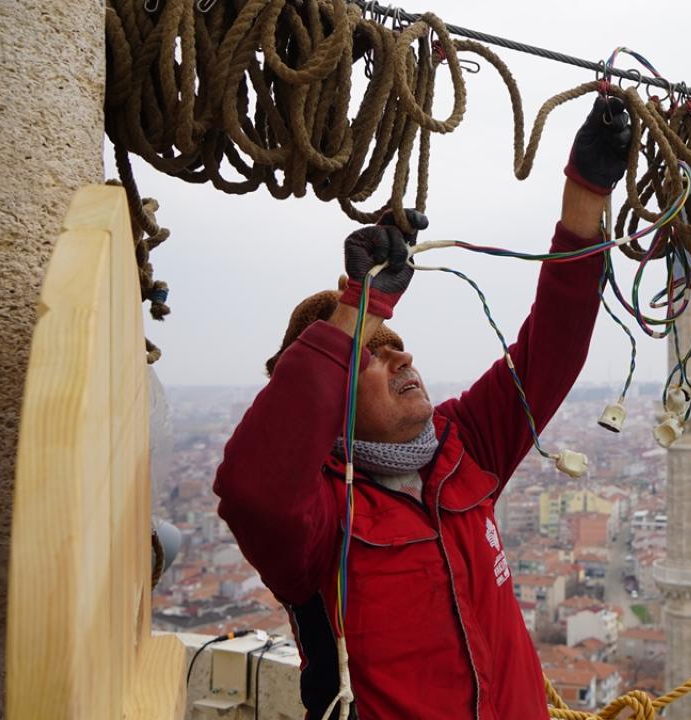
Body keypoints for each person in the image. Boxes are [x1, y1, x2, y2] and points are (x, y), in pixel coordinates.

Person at [213, 95, 632, 720]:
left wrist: (588, 190)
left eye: (400, 349)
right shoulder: (318, 520)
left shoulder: (466, 445)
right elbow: (254, 489)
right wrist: (359, 308)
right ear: (328, 397)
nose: (403, 360)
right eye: (373, 358)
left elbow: (553, 347)